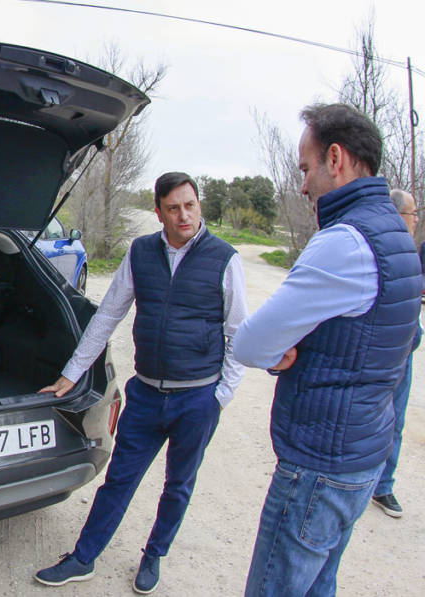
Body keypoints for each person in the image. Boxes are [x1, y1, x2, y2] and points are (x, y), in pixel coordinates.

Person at [235, 104, 422, 597]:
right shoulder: (398, 238)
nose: (302, 185)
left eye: (305, 168)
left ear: (334, 159)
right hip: (363, 454)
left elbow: (251, 342)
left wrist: (278, 352)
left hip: (319, 465)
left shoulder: (346, 242)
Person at [34, 172, 248, 594]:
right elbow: (107, 316)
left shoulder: (225, 259)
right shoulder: (141, 253)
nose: (183, 215)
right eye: (173, 208)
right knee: (120, 478)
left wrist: (221, 396)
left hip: (197, 399)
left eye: (190, 205)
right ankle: (83, 557)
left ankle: (154, 554)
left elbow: (237, 332)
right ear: (159, 212)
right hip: (147, 394)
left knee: (178, 484)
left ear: (199, 205)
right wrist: (71, 373)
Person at [370, 188, 420, 518]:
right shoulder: (379, 250)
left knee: (397, 420)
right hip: (383, 352)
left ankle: (383, 485)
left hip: (407, 347)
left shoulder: (412, 253)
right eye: (414, 215)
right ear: (400, 217)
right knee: (373, 417)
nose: (416, 221)